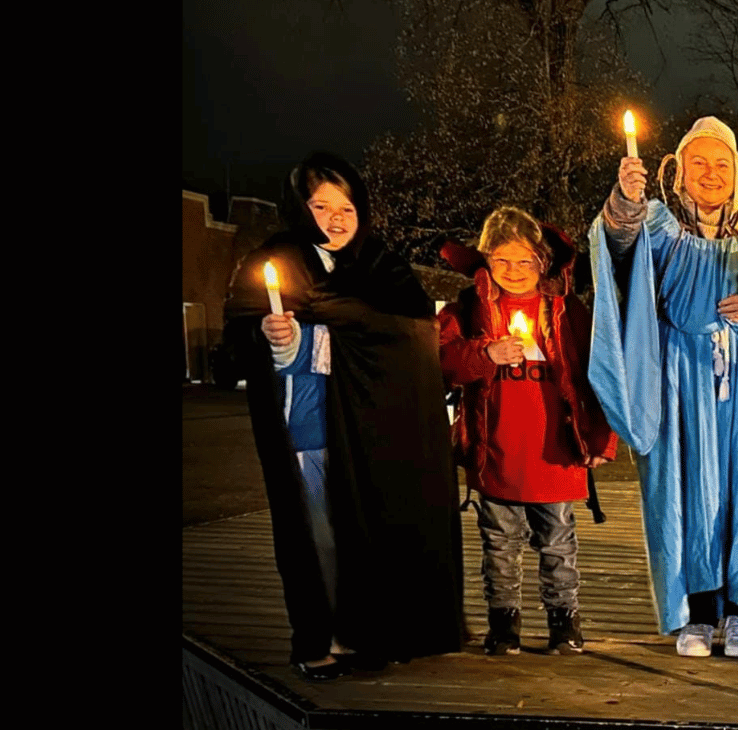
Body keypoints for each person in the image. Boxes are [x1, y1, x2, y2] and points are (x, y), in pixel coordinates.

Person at [223, 152, 464, 681]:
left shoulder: (382, 268)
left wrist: (341, 331)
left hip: (375, 435)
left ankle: (370, 634)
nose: (335, 218)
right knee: (319, 535)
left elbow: (415, 331)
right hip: (311, 429)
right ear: (298, 208)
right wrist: (279, 343)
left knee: (371, 533)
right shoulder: (277, 261)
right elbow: (241, 341)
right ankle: (318, 641)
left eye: (347, 207)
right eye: (320, 205)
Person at [588, 116, 738, 658]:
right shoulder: (658, 224)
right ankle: (698, 612)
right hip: (680, 377)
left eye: (721, 164)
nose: (710, 174)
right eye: (699, 162)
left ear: (735, 173)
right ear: (680, 170)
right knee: (688, 490)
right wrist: (623, 200)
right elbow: (619, 254)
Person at [436, 207, 619, 657]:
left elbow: (601, 376)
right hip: (496, 452)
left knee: (558, 544)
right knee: (499, 546)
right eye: (501, 261)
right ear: (485, 261)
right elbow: (441, 363)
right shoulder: (470, 310)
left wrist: (601, 440)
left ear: (542, 262)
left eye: (524, 261)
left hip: (555, 456)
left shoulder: (566, 311)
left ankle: (564, 623)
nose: (513, 272)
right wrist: (485, 353)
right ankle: (503, 625)